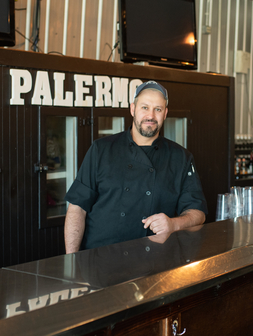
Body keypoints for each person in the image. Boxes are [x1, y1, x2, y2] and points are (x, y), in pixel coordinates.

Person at [64, 80, 207, 253]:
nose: (151, 116)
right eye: (144, 107)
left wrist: (173, 224)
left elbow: (197, 214)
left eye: (158, 109)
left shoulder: (181, 158)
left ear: (165, 113)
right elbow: (77, 208)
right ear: (133, 109)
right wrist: (72, 260)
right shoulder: (101, 149)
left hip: (153, 262)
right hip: (100, 260)